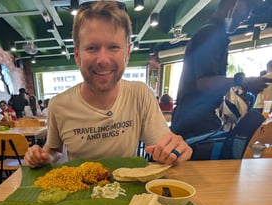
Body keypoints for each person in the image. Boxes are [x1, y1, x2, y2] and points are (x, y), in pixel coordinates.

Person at [24, 1, 192, 168]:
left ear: (127, 53)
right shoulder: (58, 104)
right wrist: (42, 156)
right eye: (92, 48)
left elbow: (162, 147)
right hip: (79, 191)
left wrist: (174, 150)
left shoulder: (140, 94)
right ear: (77, 55)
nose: (103, 60)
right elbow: (54, 150)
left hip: (126, 189)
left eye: (113, 47)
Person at [171, 0, 269, 140]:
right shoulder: (211, 33)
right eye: (247, 7)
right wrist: (243, 82)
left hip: (193, 120)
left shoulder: (212, 33)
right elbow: (205, 83)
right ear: (232, 3)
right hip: (195, 123)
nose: (247, 15)